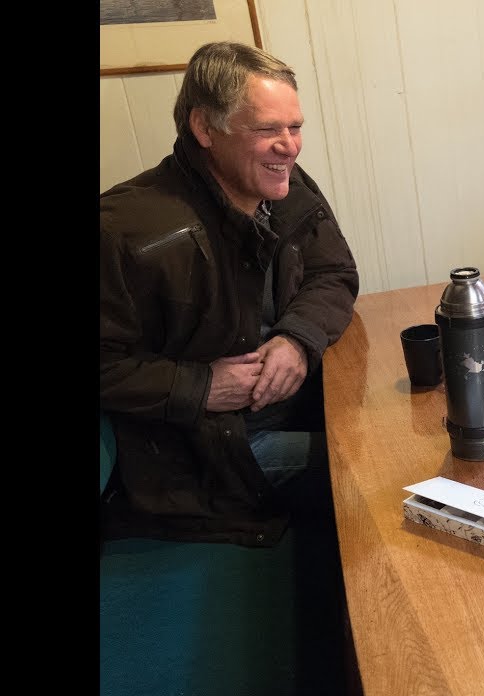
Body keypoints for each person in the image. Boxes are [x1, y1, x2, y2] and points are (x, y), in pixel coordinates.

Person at [100, 41, 359, 546]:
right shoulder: (123, 230)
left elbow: (333, 272)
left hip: (295, 402)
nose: (289, 146)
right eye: (267, 130)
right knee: (379, 475)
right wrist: (198, 385)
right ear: (204, 128)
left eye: (295, 127)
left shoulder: (284, 182)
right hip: (210, 455)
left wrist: (296, 340)